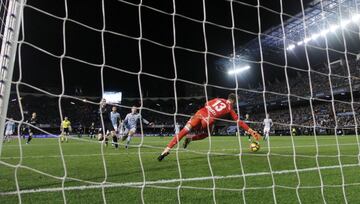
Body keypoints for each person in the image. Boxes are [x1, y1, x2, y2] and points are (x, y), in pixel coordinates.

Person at [158, 93, 261, 161]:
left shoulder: (218, 99)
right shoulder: (230, 108)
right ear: (233, 101)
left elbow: (206, 103)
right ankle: (191, 138)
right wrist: (250, 130)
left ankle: (166, 149)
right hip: (208, 120)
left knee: (185, 130)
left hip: (200, 113)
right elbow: (239, 121)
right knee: (207, 134)